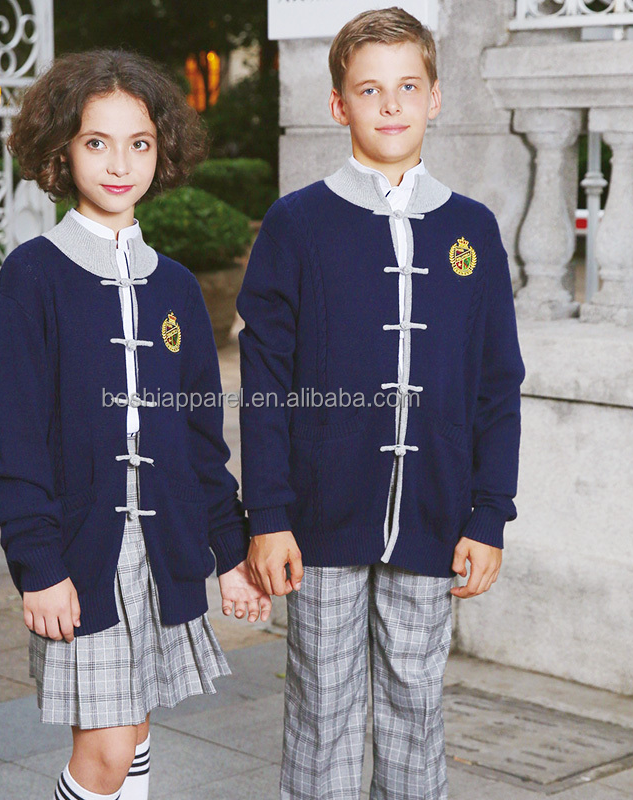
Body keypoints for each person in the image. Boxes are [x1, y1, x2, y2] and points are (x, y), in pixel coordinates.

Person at [238, 7, 525, 800]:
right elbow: (263, 380)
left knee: (414, 708)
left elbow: (499, 383)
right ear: (340, 105)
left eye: (407, 87)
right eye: (370, 90)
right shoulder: (296, 225)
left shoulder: (473, 229)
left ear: (435, 97)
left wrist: (488, 514)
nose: (391, 105)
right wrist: (267, 515)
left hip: (435, 516)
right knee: (322, 713)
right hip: (318, 521)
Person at [0, 49, 270, 800]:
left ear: (161, 150)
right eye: (96, 142)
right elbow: (12, 440)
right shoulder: (34, 275)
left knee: (134, 732)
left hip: (165, 549)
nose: (120, 163)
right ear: (61, 150)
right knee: (104, 753)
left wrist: (230, 551)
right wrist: (37, 564)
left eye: (139, 143)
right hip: (81, 553)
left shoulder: (173, 285)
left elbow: (201, 437)